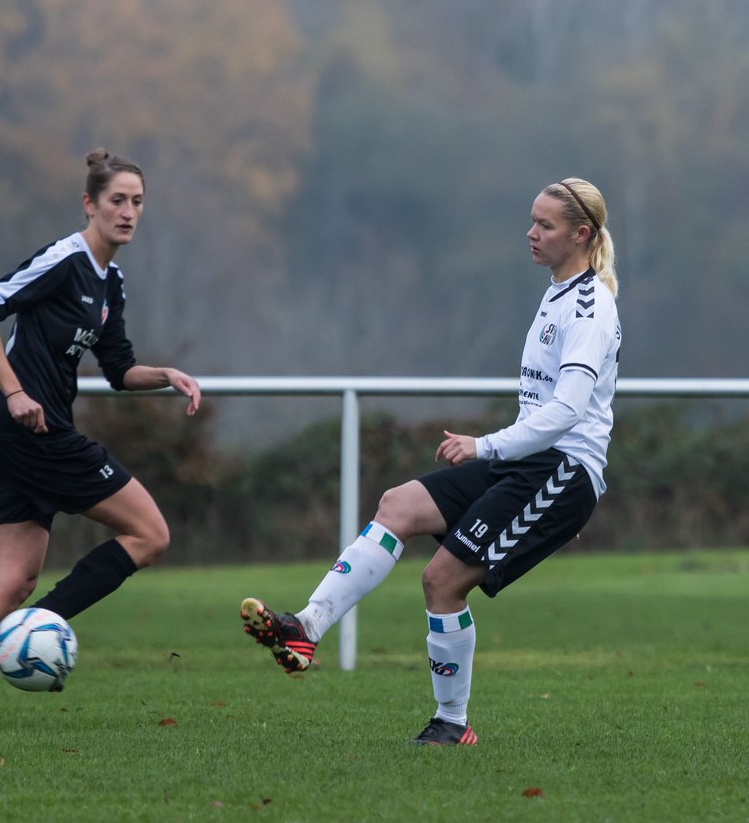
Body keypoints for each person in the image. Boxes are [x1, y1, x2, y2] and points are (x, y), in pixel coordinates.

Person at [240, 177, 621, 745]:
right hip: (526, 458)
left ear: (581, 234)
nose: (531, 233)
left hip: (562, 472)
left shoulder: (591, 307)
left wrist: (485, 444)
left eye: (545, 225)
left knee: (442, 581)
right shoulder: (558, 291)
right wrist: (498, 448)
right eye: (532, 220)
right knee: (398, 505)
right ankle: (306, 628)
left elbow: (568, 410)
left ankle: (452, 723)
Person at [0, 150, 201, 728]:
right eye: (117, 200)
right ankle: (37, 632)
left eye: (138, 202)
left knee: (12, 580)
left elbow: (118, 370)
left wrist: (166, 375)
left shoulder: (110, 283)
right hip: (28, 433)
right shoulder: (65, 258)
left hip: (16, 437)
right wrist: (15, 393)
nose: (129, 212)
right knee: (151, 532)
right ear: (89, 203)